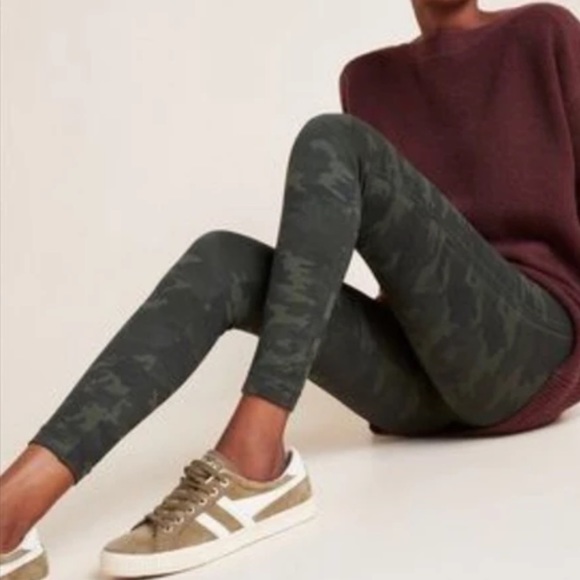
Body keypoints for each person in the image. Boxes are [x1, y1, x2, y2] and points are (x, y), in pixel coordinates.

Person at [1, 0, 580, 578]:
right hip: (424, 382)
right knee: (223, 259)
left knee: (334, 139)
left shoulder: (543, 33)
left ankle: (255, 459)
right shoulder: (368, 79)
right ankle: (14, 509)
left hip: (527, 353)